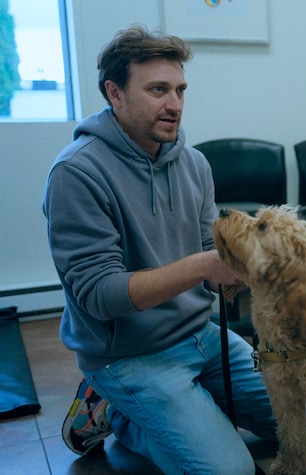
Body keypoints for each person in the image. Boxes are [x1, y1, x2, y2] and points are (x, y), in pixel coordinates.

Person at [42, 24, 276, 474]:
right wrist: (203, 265)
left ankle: (187, 410)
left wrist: (250, 265)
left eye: (180, 90)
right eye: (158, 90)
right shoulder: (76, 174)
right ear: (115, 92)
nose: (175, 105)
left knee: (293, 422)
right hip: (128, 355)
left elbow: (211, 253)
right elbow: (100, 296)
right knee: (232, 471)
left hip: (201, 334)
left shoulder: (194, 162)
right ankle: (116, 412)